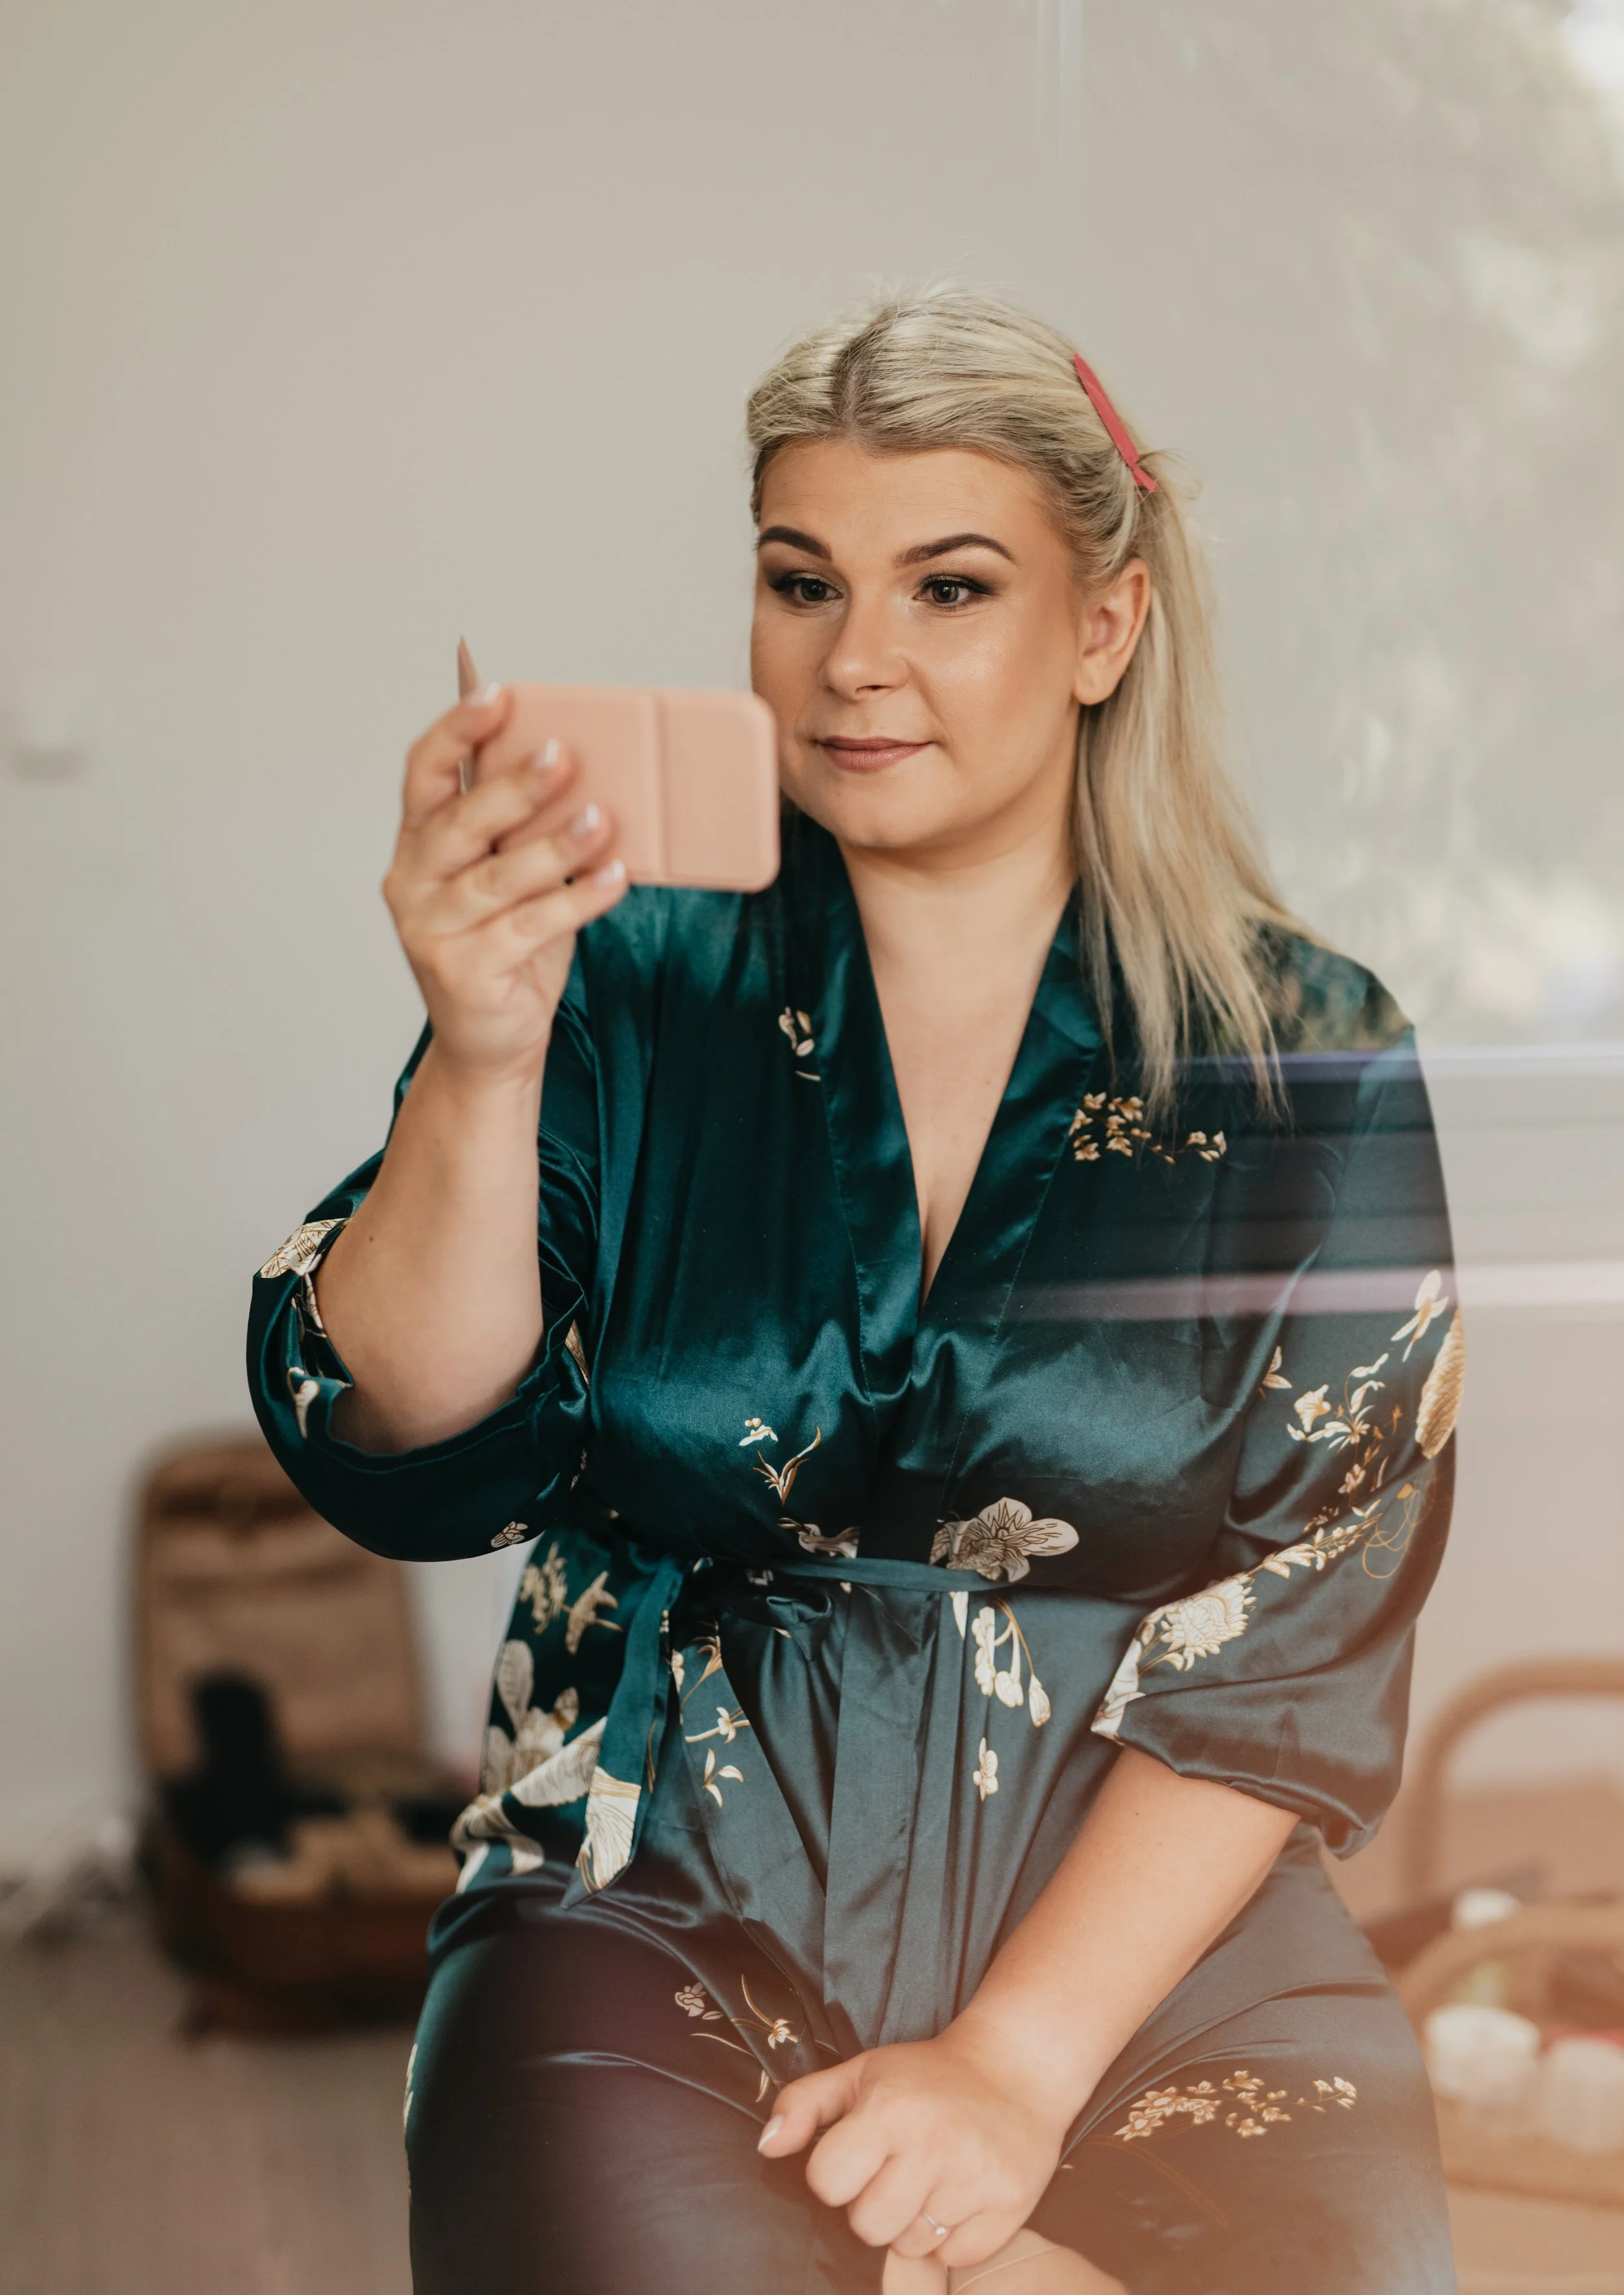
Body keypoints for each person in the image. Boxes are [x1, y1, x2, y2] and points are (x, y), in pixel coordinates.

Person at [248, 288, 1464, 2294]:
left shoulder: (1302, 1061)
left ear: (1103, 625)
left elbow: (1304, 1623)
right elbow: (416, 1438)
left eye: (948, 585)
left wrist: (1007, 2070)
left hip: (1154, 1968)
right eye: (799, 580)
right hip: (646, 1912)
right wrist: (477, 1051)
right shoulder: (619, 976)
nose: (855, 660)